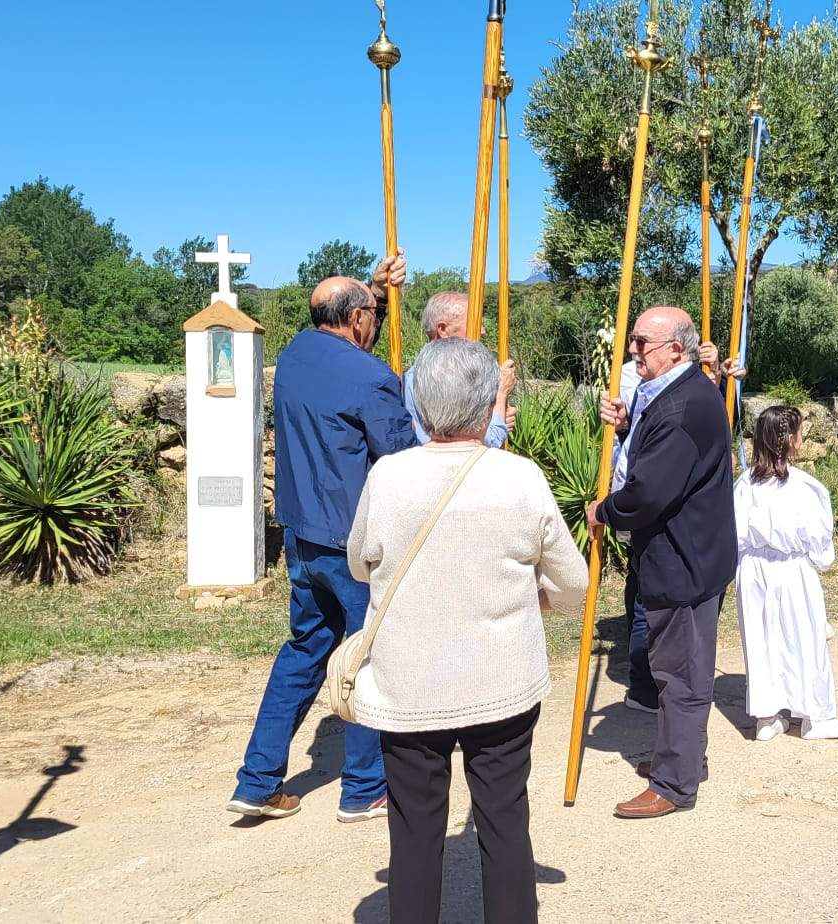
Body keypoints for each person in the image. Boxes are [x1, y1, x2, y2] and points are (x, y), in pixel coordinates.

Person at [346, 338, 588, 924]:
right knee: (506, 822)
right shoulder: (520, 477)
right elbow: (575, 582)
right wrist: (537, 600)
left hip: (409, 683)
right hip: (500, 677)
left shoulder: (388, 476)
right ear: (488, 406)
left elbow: (360, 562)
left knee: (414, 829)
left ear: (420, 408)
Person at [229, 259, 414, 823]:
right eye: (373, 316)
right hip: (351, 542)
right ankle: (363, 788)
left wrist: (377, 290)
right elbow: (402, 453)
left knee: (305, 650)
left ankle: (258, 779)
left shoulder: (294, 357)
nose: (376, 324)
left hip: (302, 536)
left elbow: (343, 329)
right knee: (364, 657)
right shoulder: (371, 376)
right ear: (358, 319)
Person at [588, 306, 736, 820]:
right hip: (687, 552)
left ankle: (675, 783)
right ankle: (684, 758)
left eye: (640, 343)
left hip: (685, 558)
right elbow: (655, 462)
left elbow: (648, 490)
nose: (632, 352)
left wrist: (604, 510)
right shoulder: (681, 392)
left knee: (682, 674)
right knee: (676, 666)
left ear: (676, 348)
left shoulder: (683, 406)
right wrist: (628, 427)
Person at [735, 405, 838, 742]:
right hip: (791, 569)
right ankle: (816, 717)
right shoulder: (805, 487)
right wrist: (821, 559)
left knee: (762, 640)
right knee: (806, 638)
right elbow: (818, 539)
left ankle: (767, 717)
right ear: (790, 439)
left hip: (754, 570)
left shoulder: (744, 484)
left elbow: (734, 531)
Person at [405, 292, 514, 447]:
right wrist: (500, 397)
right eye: (474, 323)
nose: (482, 331)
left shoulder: (428, 375)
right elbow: (479, 444)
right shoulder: (427, 380)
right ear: (443, 329)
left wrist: (496, 417)